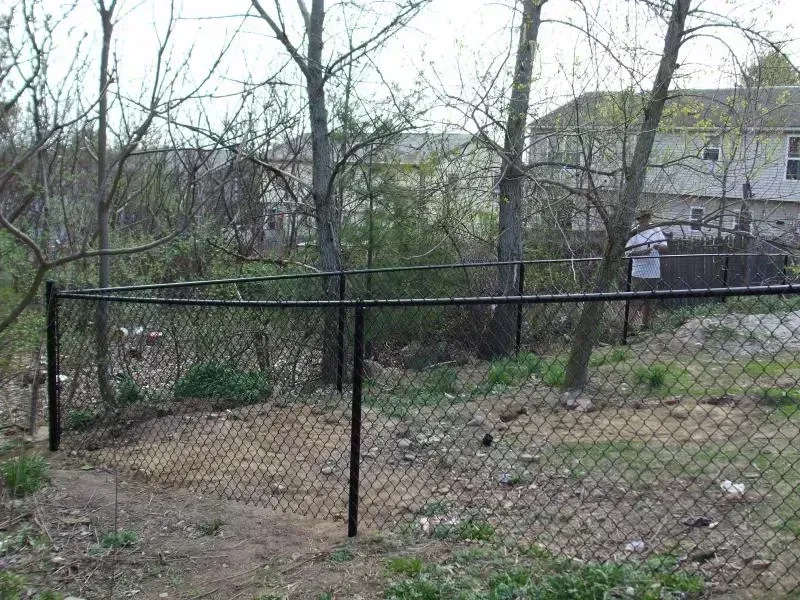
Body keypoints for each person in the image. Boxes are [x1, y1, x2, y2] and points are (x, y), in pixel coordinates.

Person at [625, 210, 668, 330]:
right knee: (635, 301)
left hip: (654, 272)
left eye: (646, 218)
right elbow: (628, 253)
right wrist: (644, 252)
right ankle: (627, 327)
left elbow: (665, 248)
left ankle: (644, 326)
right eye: (641, 219)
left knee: (649, 302)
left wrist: (658, 246)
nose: (644, 221)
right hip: (638, 273)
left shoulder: (656, 230)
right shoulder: (634, 233)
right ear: (638, 220)